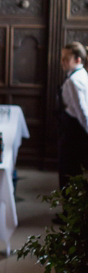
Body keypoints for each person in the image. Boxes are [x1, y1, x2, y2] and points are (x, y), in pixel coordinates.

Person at [59, 42, 88, 191]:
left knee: (68, 170)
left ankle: (67, 211)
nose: (62, 61)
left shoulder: (73, 81)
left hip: (74, 131)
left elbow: (82, 111)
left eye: (66, 58)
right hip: (75, 128)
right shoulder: (82, 74)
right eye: (62, 57)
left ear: (78, 59)